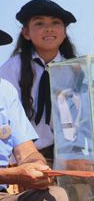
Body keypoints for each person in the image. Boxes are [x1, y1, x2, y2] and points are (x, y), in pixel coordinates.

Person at [0, 0, 77, 166]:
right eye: (39, 23)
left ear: (64, 32)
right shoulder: (11, 69)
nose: (49, 28)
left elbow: (81, 119)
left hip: (68, 157)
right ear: (26, 33)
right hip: (22, 159)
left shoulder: (75, 70)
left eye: (56, 23)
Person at [0, 29, 68, 200]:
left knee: (55, 195)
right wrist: (12, 175)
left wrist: (38, 166)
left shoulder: (5, 90)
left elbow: (27, 152)